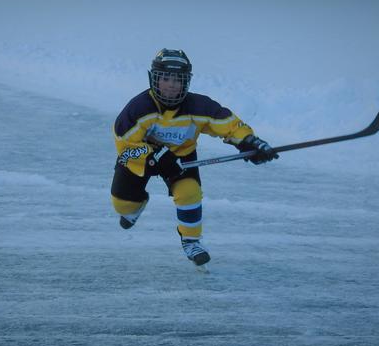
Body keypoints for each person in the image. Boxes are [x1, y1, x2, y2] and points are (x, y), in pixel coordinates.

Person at [111, 48, 278, 266]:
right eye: (166, 78)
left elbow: (227, 124)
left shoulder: (198, 106)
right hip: (141, 158)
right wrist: (158, 156)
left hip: (182, 157)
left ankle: (191, 241)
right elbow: (125, 144)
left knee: (190, 193)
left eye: (178, 80)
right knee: (122, 204)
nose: (172, 85)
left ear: (186, 82)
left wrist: (249, 142)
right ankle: (136, 204)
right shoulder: (138, 108)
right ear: (154, 79)